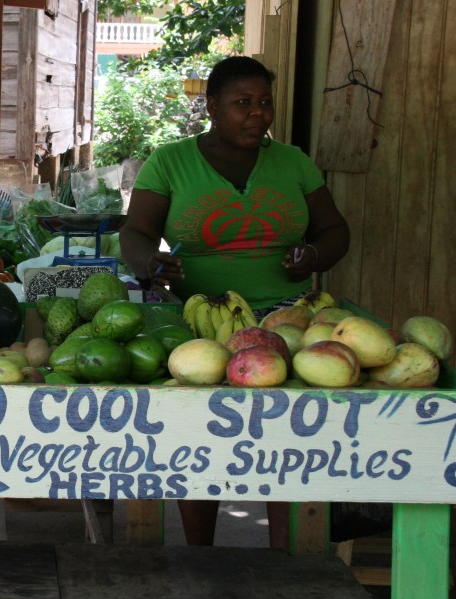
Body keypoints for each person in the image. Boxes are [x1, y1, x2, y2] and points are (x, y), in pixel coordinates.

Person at [119, 55, 350, 549]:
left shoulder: (293, 162)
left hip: (286, 320)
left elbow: (334, 231)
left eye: (264, 102)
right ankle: (202, 554)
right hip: (196, 322)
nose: (257, 114)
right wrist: (150, 264)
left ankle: (283, 557)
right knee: (197, 439)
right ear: (211, 107)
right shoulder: (171, 161)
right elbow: (135, 232)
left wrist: (313, 254)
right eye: (242, 103)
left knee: (285, 440)